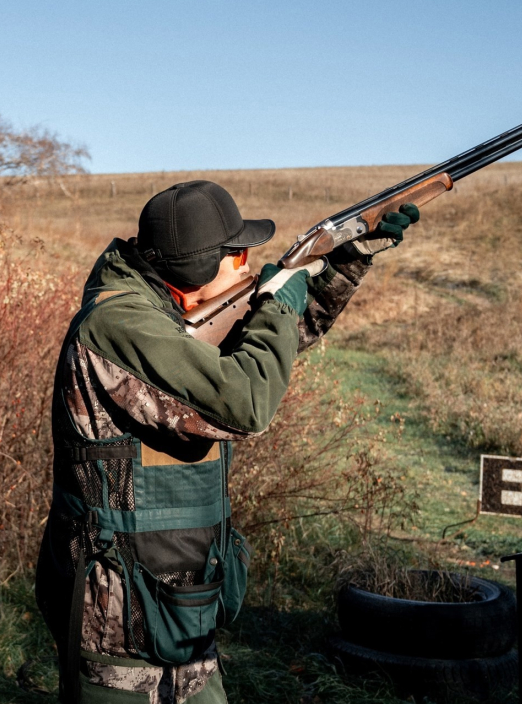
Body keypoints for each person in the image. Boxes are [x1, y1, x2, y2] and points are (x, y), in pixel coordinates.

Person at [33, 180, 419, 703]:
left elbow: (268, 352)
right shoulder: (120, 326)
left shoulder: (168, 320)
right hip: (119, 651)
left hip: (186, 628)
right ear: (197, 268)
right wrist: (275, 306)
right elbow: (245, 401)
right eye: (237, 253)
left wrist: (348, 261)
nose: (248, 262)